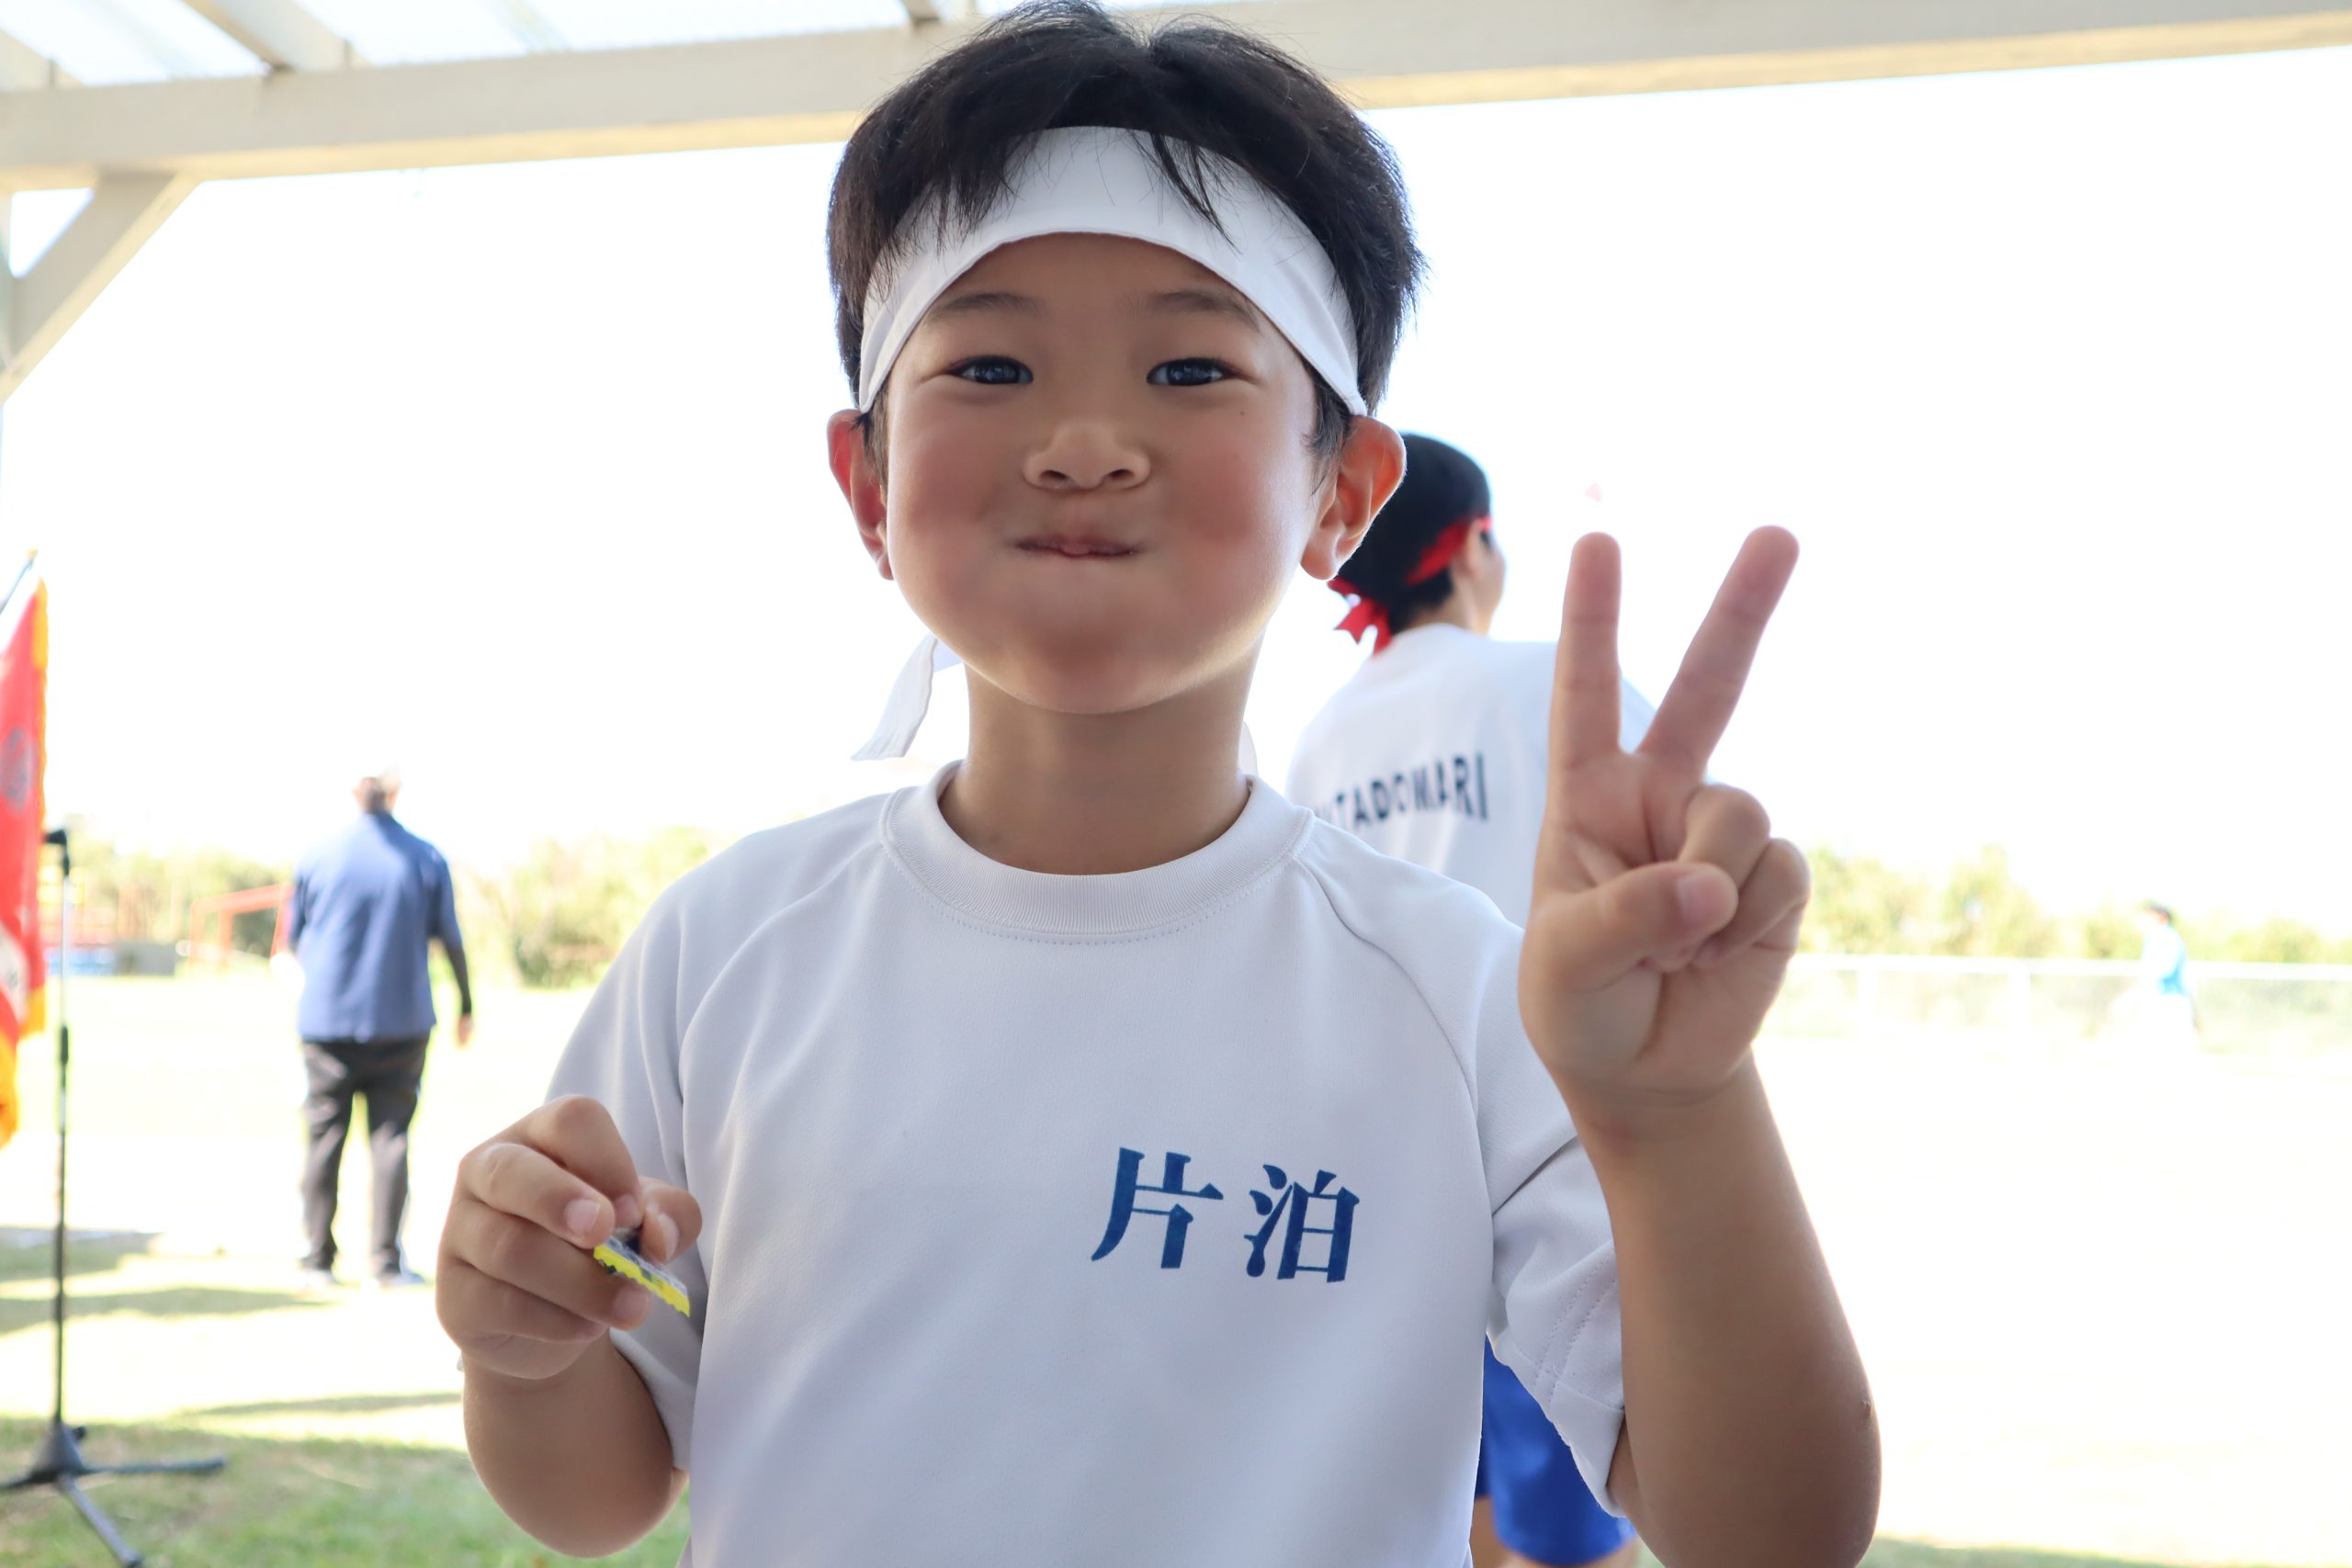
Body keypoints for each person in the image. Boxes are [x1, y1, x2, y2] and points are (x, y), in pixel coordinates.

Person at [435, 6, 1879, 1564]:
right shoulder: (727, 948)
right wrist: (525, 1336)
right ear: (866, 481)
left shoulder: (1454, 992)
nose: (1084, 441)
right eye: (990, 362)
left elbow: (1773, 1531)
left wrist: (1678, 1112)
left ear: (1342, 492)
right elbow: (593, 1493)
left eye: (1190, 365)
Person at [1287, 434, 1650, 1568]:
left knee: (1453, 1512)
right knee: (1581, 1526)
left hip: (1376, 1182)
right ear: (1474, 547)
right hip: (1555, 1172)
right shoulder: (1553, 688)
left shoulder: (1323, 736)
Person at [286, 763, 473, 1290]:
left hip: (328, 1021)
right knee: (391, 1140)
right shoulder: (425, 857)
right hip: (401, 1020)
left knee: (324, 1139)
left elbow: (294, 939)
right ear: (396, 792)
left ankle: (317, 1259)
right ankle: (385, 1263)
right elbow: (451, 940)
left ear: (353, 790)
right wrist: (466, 1005)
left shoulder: (318, 855)